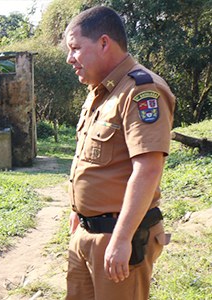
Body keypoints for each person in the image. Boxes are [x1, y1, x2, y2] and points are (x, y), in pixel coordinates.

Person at [64, 6, 175, 299]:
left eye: (75, 48)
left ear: (103, 43)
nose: (69, 58)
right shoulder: (100, 94)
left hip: (119, 236)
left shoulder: (140, 91)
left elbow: (148, 169)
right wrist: (79, 214)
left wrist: (123, 238)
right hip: (87, 234)